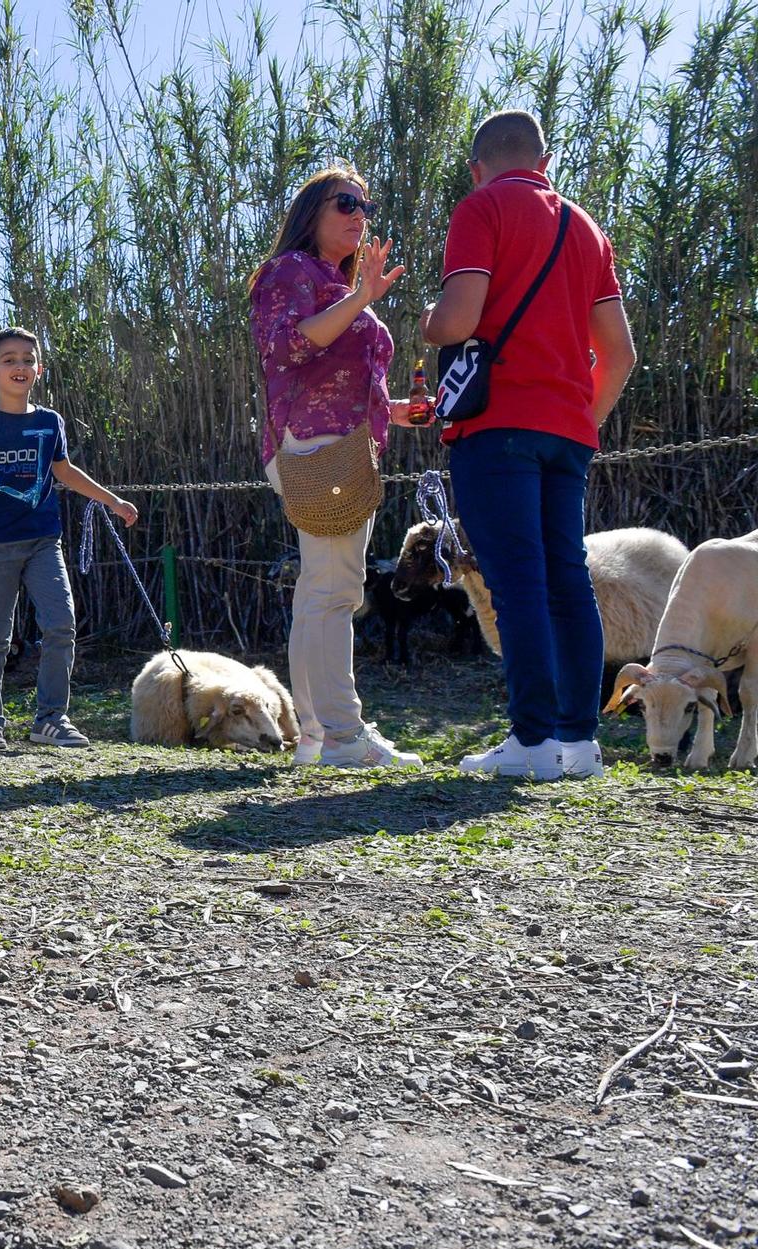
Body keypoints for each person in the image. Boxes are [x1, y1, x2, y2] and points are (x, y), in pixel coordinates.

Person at [423, 111, 633, 781]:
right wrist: (581, 418)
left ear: (477, 166)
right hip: (567, 432)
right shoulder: (586, 227)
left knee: (516, 583)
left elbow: (458, 318)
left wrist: (428, 321)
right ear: (545, 160)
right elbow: (620, 354)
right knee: (569, 581)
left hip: (496, 428)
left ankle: (532, 741)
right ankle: (579, 743)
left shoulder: (481, 208)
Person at [250, 165, 425, 769]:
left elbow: (342, 374)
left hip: (341, 443)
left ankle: (316, 737)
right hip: (317, 446)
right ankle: (346, 735)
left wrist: (398, 411)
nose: (359, 214)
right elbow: (288, 346)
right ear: (310, 214)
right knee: (335, 591)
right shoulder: (291, 272)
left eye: (364, 205)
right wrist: (361, 298)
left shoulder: (330, 280)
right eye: (344, 203)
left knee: (319, 592)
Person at [0, 326, 138, 750]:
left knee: (60, 624)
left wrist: (113, 501)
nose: (20, 366)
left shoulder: (49, 421)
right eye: (9, 360)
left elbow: (65, 471)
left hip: (43, 541)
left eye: (27, 359)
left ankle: (51, 719)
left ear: (38, 368)